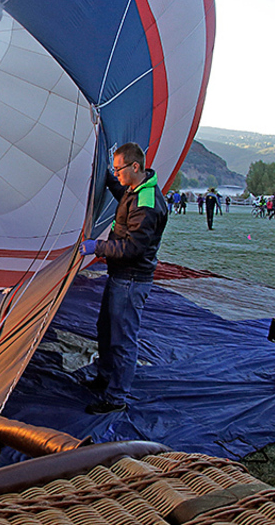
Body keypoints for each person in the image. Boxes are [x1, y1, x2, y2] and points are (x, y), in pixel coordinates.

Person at [79, 143, 167, 414]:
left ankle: (116, 398)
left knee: (123, 340)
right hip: (120, 276)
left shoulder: (146, 202)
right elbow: (124, 196)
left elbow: (132, 248)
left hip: (131, 280)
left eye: (118, 170)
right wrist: (105, 177)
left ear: (135, 166)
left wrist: (97, 246)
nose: (117, 175)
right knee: (106, 329)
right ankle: (105, 377)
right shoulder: (135, 190)